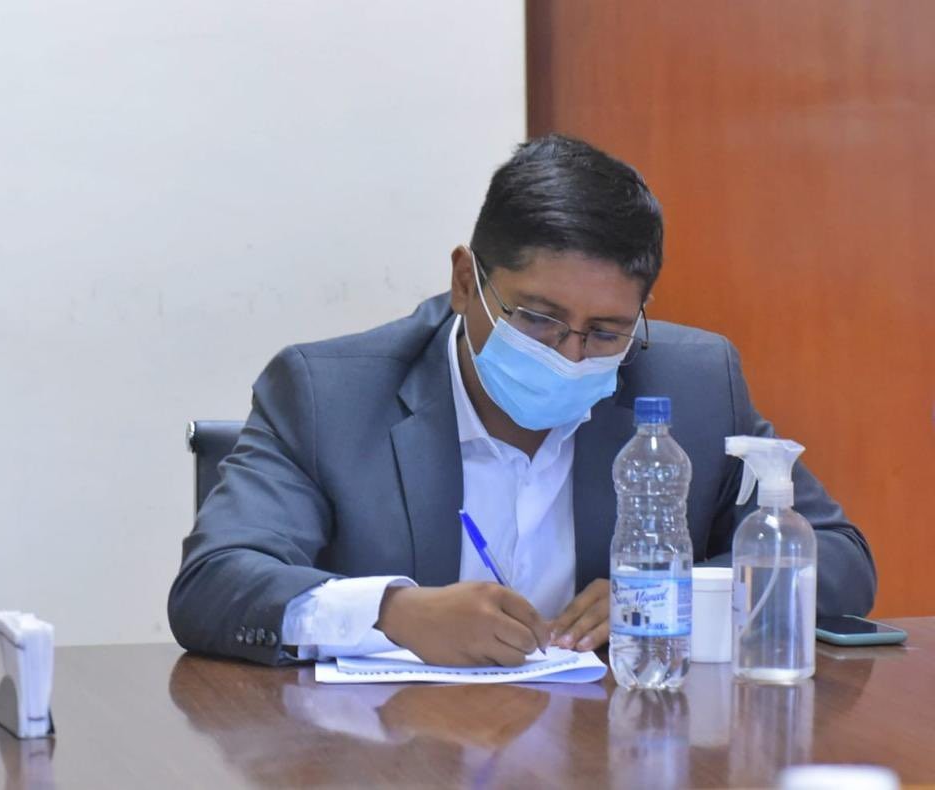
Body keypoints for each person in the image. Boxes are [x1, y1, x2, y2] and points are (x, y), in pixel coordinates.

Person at [167, 134, 876, 667]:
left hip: (612, 749)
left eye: (606, 331)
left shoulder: (692, 384)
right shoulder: (328, 394)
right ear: (465, 283)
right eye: (538, 318)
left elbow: (840, 560)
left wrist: (680, 595)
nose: (569, 354)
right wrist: (394, 613)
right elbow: (213, 583)